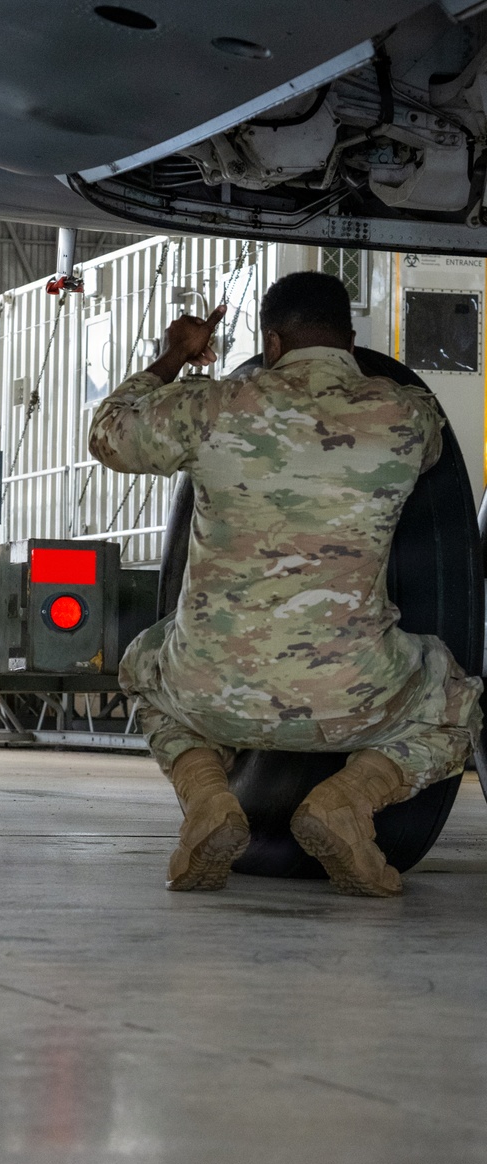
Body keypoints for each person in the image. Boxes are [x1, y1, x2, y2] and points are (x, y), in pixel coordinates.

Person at [89, 271, 482, 898]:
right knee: (457, 701)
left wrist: (176, 355)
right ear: (349, 341)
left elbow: (108, 433)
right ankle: (350, 800)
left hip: (212, 694)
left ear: (271, 343)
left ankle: (208, 801)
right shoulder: (405, 417)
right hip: (352, 701)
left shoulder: (212, 407)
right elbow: (436, 464)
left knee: (144, 669)